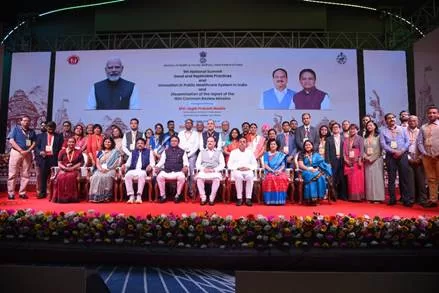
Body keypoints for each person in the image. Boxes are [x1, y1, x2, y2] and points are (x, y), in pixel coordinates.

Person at [380, 113, 413, 206]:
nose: (391, 119)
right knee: (391, 178)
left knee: (404, 178)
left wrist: (401, 151)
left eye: (393, 117)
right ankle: (392, 199)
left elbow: (407, 142)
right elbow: (383, 144)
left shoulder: (402, 129)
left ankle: (406, 199)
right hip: (391, 156)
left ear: (395, 119)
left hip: (402, 155)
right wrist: (393, 152)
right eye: (389, 118)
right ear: (386, 121)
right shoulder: (383, 131)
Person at [7, 115, 37, 200]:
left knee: (26, 173)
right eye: (24, 120)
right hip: (16, 152)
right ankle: (11, 193)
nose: (26, 122)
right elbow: (11, 141)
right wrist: (21, 150)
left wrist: (28, 151)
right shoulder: (15, 129)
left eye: (28, 121)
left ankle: (22, 193)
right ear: (21, 121)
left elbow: (34, 142)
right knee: (12, 173)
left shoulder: (31, 131)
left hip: (27, 153)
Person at [155, 136, 189, 203]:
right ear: (170, 142)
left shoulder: (182, 151)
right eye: (172, 141)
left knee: (182, 177)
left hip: (178, 171)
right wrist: (157, 166)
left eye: (175, 141)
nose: (173, 142)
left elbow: (186, 162)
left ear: (178, 142)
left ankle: (177, 195)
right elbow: (161, 161)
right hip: (167, 171)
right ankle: (163, 195)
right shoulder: (166, 151)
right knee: (159, 177)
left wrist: (185, 166)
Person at [297, 140, 332, 205]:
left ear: (312, 146)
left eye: (309, 145)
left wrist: (317, 168)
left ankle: (318, 198)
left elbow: (321, 163)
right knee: (313, 176)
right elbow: (300, 165)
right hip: (305, 171)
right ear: (304, 146)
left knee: (320, 177)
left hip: (315, 170)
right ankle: (310, 199)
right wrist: (309, 168)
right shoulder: (301, 154)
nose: (308, 146)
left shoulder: (316, 154)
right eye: (306, 145)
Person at [417, 105, 439, 208]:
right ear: (427, 114)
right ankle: (433, 199)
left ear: (438, 114)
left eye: (434, 113)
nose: (431, 114)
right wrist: (424, 153)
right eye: (430, 113)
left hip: (438, 155)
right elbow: (420, 142)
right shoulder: (423, 127)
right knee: (431, 179)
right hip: (427, 157)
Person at [35, 121, 64, 199]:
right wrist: (40, 152)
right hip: (43, 158)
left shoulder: (59, 136)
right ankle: (42, 193)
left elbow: (61, 148)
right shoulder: (40, 136)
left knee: (54, 177)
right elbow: (36, 147)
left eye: (52, 127)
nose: (50, 128)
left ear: (55, 128)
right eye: (49, 127)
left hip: (54, 158)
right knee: (43, 176)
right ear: (46, 127)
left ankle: (54, 193)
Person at [52, 137, 84, 203]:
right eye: (70, 142)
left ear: (75, 143)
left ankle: (71, 198)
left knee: (70, 176)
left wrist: (73, 168)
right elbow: (59, 162)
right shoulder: (62, 151)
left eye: (73, 142)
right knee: (60, 177)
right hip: (64, 169)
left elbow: (81, 162)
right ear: (67, 143)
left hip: (74, 169)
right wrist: (65, 168)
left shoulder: (78, 152)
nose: (71, 143)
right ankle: (61, 198)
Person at [89, 136, 121, 203]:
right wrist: (100, 169)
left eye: (109, 142)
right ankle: (95, 197)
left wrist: (108, 169)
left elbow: (117, 163)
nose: (107, 143)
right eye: (106, 142)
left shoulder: (115, 152)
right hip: (100, 169)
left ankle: (106, 197)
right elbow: (97, 163)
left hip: (111, 169)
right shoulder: (100, 152)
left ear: (112, 143)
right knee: (96, 176)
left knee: (106, 176)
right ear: (103, 143)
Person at [123, 138, 155, 204]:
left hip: (143, 170)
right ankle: (131, 196)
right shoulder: (133, 152)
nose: (140, 144)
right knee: (127, 175)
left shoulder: (149, 152)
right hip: (133, 170)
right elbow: (128, 163)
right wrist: (124, 165)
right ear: (136, 145)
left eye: (141, 143)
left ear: (144, 144)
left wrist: (150, 166)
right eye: (138, 143)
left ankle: (139, 196)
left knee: (141, 175)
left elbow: (152, 162)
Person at [228, 137, 258, 206]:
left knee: (250, 176)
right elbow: (229, 164)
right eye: (240, 141)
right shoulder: (233, 152)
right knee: (238, 177)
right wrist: (238, 168)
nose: (242, 143)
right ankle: (239, 198)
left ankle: (248, 198)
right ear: (238, 143)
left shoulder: (250, 152)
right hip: (237, 170)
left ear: (246, 144)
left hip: (248, 170)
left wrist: (248, 168)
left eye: (244, 142)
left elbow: (254, 164)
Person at [195, 137, 225, 205]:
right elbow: (197, 164)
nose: (210, 142)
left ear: (215, 143)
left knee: (217, 179)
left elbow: (222, 164)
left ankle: (212, 198)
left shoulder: (219, 152)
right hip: (204, 171)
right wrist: (203, 169)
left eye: (211, 141)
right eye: (208, 141)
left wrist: (214, 169)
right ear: (206, 143)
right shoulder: (202, 152)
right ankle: (203, 198)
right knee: (199, 179)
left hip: (214, 171)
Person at [406, 115, 428, 206]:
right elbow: (401, 145)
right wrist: (409, 158)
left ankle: (423, 200)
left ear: (417, 122)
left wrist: (420, 158)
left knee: (421, 180)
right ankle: (411, 199)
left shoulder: (421, 131)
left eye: (414, 121)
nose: (412, 122)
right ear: (408, 122)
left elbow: (425, 145)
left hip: (420, 158)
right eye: (410, 121)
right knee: (410, 181)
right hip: (408, 158)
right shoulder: (404, 132)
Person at [262, 139, 289, 205]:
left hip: (279, 171)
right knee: (270, 178)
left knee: (281, 178)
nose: (273, 145)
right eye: (271, 144)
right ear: (269, 145)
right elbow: (265, 165)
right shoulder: (266, 154)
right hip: (269, 171)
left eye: (274, 144)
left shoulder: (280, 155)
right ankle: (270, 200)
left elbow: (283, 165)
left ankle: (280, 200)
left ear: (277, 146)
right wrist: (272, 171)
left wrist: (279, 171)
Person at [363, 121, 385, 202]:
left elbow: (380, 149)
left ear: (375, 126)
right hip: (367, 161)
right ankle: (369, 197)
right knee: (369, 179)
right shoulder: (365, 138)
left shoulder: (379, 137)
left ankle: (378, 198)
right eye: (368, 125)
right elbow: (363, 149)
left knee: (377, 179)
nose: (369, 126)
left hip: (377, 160)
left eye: (371, 125)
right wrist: (365, 156)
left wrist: (371, 158)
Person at [178, 118, 200, 197]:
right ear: (185, 124)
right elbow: (178, 143)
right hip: (181, 155)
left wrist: (189, 154)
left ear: (192, 125)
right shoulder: (180, 133)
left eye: (190, 123)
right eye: (187, 123)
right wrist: (184, 154)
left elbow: (197, 145)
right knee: (182, 172)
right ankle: (181, 191)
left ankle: (191, 190)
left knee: (191, 173)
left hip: (192, 155)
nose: (188, 124)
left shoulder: (195, 134)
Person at [325, 122, 346, 200]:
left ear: (340, 129)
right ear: (331, 129)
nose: (335, 129)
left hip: (342, 160)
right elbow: (326, 152)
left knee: (342, 178)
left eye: (337, 127)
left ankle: (343, 195)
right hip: (333, 160)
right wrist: (328, 163)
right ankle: (333, 196)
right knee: (333, 178)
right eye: (334, 127)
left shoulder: (344, 138)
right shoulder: (329, 139)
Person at [343, 124, 365, 201]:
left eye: (354, 129)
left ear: (357, 130)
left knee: (358, 180)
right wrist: (346, 160)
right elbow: (344, 152)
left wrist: (359, 160)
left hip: (357, 162)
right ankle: (352, 197)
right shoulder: (346, 140)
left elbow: (362, 150)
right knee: (351, 180)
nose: (352, 130)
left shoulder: (360, 139)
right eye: (351, 129)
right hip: (349, 162)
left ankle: (359, 197)